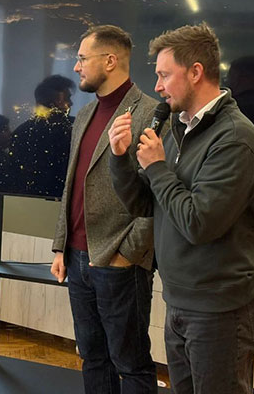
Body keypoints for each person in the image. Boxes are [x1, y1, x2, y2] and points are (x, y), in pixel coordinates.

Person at [109, 23, 254, 394]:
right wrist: (120, 159)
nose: (158, 86)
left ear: (196, 72)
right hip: (179, 301)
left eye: (164, 75)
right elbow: (144, 204)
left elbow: (199, 223)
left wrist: (157, 168)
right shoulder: (179, 129)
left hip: (219, 310)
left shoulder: (235, 138)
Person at [50, 25, 158, 393]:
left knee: (131, 364)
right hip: (77, 257)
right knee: (92, 357)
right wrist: (61, 246)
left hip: (119, 263)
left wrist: (128, 253)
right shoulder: (84, 115)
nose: (76, 66)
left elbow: (158, 195)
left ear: (110, 61)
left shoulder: (151, 114)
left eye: (82, 58)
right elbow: (72, 185)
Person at [10, 74, 75, 197]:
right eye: (67, 98)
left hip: (28, 200)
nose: (70, 103)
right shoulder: (74, 128)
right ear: (55, 101)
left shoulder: (22, 132)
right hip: (56, 199)